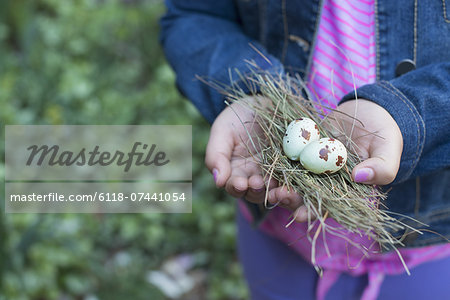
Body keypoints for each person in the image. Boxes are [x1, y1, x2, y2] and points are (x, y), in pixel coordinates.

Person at [160, 1, 450, 299]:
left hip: (428, 244)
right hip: (278, 225)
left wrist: (407, 115)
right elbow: (197, 15)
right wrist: (252, 88)